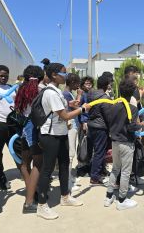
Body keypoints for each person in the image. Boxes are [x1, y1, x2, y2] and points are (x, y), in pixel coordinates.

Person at [36, 63, 86, 220]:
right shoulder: (50, 93)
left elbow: (59, 110)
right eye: (63, 73)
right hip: (50, 135)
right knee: (47, 170)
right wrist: (83, 109)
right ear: (53, 75)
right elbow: (64, 116)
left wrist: (71, 104)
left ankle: (65, 196)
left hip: (61, 133)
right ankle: (42, 205)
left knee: (65, 166)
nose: (65, 76)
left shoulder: (57, 92)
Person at [104, 78, 144, 210]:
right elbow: (132, 127)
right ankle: (122, 199)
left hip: (114, 142)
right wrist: (141, 125)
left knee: (115, 169)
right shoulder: (132, 108)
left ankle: (109, 196)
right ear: (132, 92)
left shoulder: (113, 106)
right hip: (126, 142)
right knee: (126, 171)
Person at [14, 65, 45, 213]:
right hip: (33, 128)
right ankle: (29, 202)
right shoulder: (39, 91)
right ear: (40, 77)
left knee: (25, 162)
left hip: (23, 127)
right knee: (38, 163)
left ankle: (30, 191)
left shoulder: (20, 89)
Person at [86, 76, 111, 185]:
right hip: (101, 127)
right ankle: (95, 177)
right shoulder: (105, 97)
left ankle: (99, 171)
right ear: (106, 85)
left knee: (96, 151)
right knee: (99, 152)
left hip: (91, 125)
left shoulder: (91, 94)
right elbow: (108, 115)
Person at [63, 73, 82, 192]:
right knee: (70, 155)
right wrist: (79, 96)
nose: (78, 86)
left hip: (72, 126)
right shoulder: (66, 94)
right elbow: (76, 107)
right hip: (70, 126)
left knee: (71, 154)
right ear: (72, 83)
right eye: (77, 83)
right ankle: (68, 182)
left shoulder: (67, 93)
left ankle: (70, 178)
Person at [76, 76, 94, 177]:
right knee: (82, 144)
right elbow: (79, 109)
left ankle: (87, 166)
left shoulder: (91, 93)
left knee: (89, 145)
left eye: (90, 83)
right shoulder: (82, 94)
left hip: (90, 122)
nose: (88, 85)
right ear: (83, 84)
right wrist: (83, 122)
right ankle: (81, 167)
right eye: (87, 83)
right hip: (84, 123)